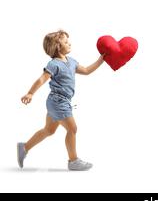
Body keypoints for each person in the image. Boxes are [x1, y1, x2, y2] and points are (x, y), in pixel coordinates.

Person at [18, 30, 104, 171]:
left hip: (58, 102)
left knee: (49, 130)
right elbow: (41, 79)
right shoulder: (54, 64)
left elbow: (87, 70)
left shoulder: (71, 62)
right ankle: (73, 160)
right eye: (65, 42)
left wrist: (101, 59)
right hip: (58, 102)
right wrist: (30, 93)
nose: (69, 43)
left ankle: (24, 147)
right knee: (72, 128)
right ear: (57, 47)